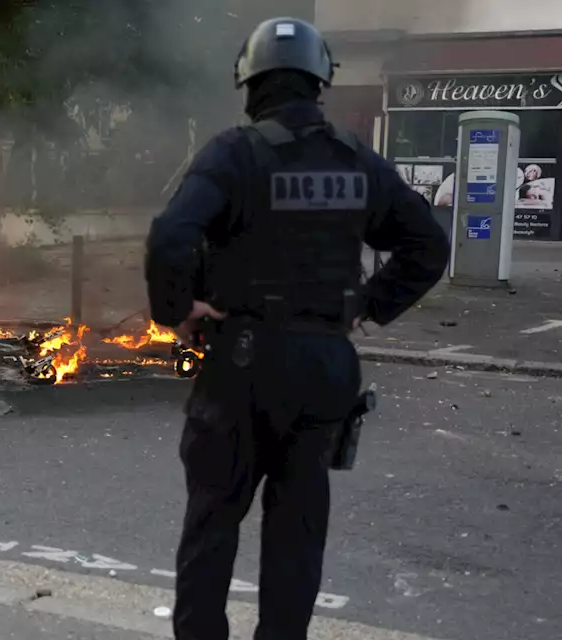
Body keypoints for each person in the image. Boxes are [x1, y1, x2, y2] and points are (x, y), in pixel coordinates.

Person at [144, 17, 449, 640]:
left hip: (243, 364)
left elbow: (171, 237)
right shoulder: (356, 159)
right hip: (324, 368)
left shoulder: (235, 154)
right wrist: (368, 303)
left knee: (213, 520)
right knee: (298, 529)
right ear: (320, 81)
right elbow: (427, 245)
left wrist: (178, 311)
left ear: (249, 82)